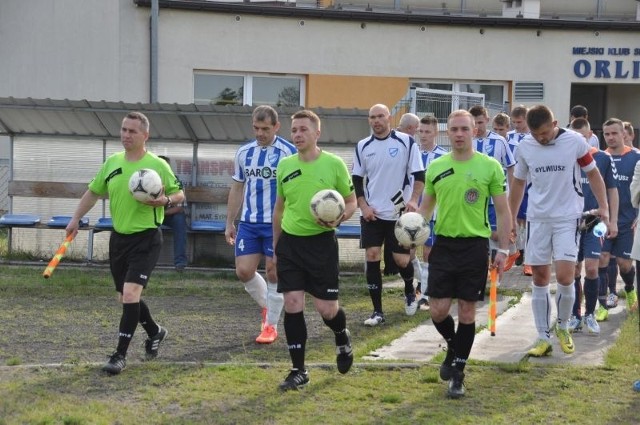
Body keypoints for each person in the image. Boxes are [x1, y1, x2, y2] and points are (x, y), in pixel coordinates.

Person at [66, 111, 185, 375]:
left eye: (132, 131)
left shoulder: (157, 165)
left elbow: (179, 194)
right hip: (119, 240)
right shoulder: (112, 163)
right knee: (125, 298)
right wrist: (75, 218)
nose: (126, 135)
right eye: (123, 130)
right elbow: (94, 192)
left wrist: (165, 201)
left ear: (145, 135)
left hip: (146, 238)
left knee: (131, 294)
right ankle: (155, 332)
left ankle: (119, 354)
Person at [418, 109, 511, 398]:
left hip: (475, 246)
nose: (459, 134)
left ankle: (458, 374)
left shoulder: (490, 167)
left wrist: (503, 248)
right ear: (448, 132)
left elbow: (504, 210)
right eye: (454, 129)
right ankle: (454, 346)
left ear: (474, 131)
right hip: (444, 244)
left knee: (468, 311)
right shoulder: (436, 167)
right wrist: (414, 231)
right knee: (437, 310)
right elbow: (425, 209)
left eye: (464, 129)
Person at [508, 105, 609, 358]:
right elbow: (518, 183)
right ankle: (543, 337)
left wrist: (604, 207)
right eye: (535, 134)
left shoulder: (574, 142)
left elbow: (593, 173)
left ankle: (563, 326)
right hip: (538, 219)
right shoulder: (525, 147)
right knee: (540, 278)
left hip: (567, 218)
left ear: (554, 124)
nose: (540, 138)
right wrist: (510, 217)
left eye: (544, 132)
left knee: (565, 276)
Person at [272, 109, 357, 391]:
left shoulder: (334, 164)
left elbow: (351, 202)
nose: (297, 134)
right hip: (290, 245)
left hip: (321, 245)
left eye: (303, 129)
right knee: (293, 304)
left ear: (317, 133)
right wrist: (275, 248)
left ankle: (342, 337)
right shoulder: (284, 165)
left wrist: (338, 218)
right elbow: (279, 209)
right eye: (294, 130)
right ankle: (299, 370)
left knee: (327, 310)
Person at [225, 105, 296, 344]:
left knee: (274, 271)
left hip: (277, 223)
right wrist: (229, 222)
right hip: (249, 222)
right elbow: (237, 187)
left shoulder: (289, 152)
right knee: (243, 271)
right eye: (256, 128)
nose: (260, 133)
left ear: (276, 127)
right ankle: (270, 307)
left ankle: (271, 326)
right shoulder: (244, 152)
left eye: (265, 129)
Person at [352, 104, 425, 326]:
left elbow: (420, 175)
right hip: (372, 214)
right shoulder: (363, 146)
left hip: (399, 213)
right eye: (372, 117)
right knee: (372, 256)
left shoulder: (406, 141)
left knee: (402, 260)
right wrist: (363, 206)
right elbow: (357, 178)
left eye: (380, 116)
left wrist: (412, 200)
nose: (376, 121)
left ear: (389, 118)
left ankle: (410, 291)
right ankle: (377, 312)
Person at [567, 118, 619, 335]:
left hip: (596, 221)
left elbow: (612, 190)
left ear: (590, 136)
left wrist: (612, 219)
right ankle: (574, 315)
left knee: (592, 266)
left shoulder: (603, 158)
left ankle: (590, 314)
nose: (579, 141)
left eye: (583, 137)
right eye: (574, 137)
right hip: (570, 222)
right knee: (572, 270)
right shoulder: (566, 157)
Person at [598, 118, 640, 319]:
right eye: (607, 134)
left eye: (614, 133)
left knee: (624, 264)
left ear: (624, 133)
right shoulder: (599, 158)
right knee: (602, 259)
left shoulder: (636, 157)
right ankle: (603, 303)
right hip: (603, 221)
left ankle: (630, 289)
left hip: (628, 221)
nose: (611, 137)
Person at [415, 115, 448, 310]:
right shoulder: (413, 154)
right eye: (421, 131)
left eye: (428, 132)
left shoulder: (443, 157)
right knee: (407, 253)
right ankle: (420, 284)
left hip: (433, 213)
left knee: (428, 252)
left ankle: (425, 293)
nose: (424, 135)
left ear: (435, 133)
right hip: (412, 212)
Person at [384, 112, 421, 277]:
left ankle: (393, 271)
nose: (418, 132)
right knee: (401, 236)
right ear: (411, 128)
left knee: (396, 235)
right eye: (418, 129)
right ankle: (403, 274)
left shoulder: (408, 143)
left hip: (399, 198)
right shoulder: (399, 142)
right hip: (397, 198)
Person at [507, 105, 531, 272]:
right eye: (514, 122)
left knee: (529, 222)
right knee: (517, 221)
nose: (516, 125)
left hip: (532, 184)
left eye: (519, 122)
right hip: (515, 183)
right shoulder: (508, 137)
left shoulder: (534, 136)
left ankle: (529, 260)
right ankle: (518, 252)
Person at [158, 155, 188, 271]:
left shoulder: (176, 181)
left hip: (168, 215)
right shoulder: (147, 181)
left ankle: (180, 263)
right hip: (150, 215)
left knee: (180, 220)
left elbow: (179, 208)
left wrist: (162, 213)